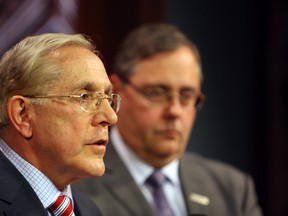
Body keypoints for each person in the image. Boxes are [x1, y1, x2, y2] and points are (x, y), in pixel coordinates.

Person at [75, 23, 262, 216]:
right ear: (116, 89)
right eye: (157, 93)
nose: (174, 111)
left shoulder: (232, 190)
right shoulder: (76, 185)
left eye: (186, 95)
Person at [0, 33, 120, 215]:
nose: (110, 117)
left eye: (107, 98)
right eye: (85, 97)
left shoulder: (89, 209)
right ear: (23, 114)